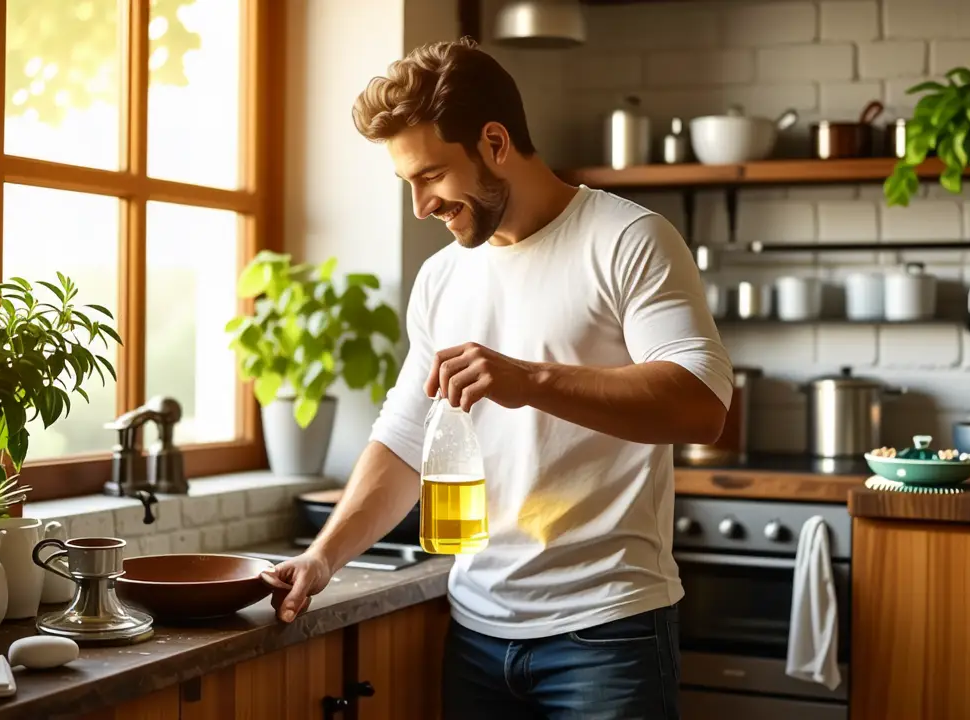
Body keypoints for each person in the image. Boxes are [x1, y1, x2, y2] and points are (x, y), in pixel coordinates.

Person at [261, 37, 734, 720]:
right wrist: (322, 558)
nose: (421, 204)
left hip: (608, 631)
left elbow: (701, 405)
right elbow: (402, 439)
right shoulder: (443, 277)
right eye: (408, 184)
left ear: (494, 141)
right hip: (478, 632)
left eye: (431, 176)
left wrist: (531, 380)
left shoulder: (629, 239)